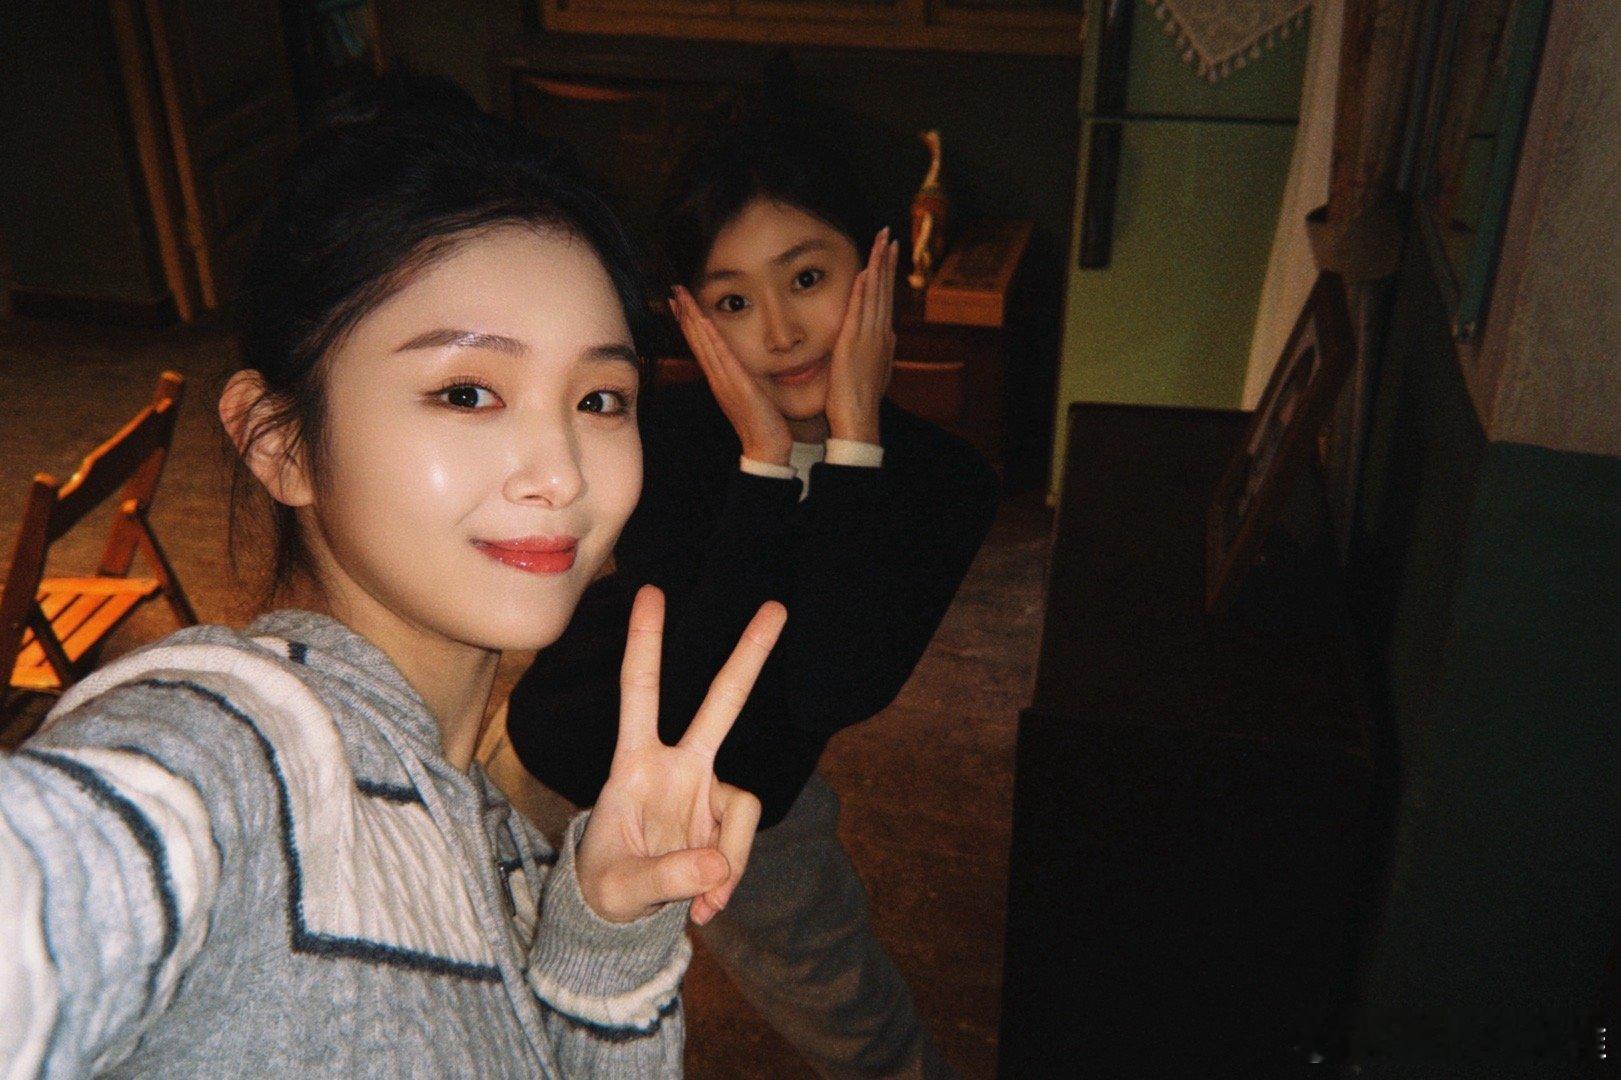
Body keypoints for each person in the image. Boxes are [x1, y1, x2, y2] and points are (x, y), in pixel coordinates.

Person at [0, 78, 783, 1078]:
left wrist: (601, 946)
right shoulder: (233, 755)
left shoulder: (512, 850)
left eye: (599, 398)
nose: (560, 473)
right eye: (467, 393)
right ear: (278, 443)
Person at [505, 117, 1000, 1078]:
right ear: (691, 315)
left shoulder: (945, 481)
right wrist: (763, 463)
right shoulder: (666, 434)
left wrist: (853, 446)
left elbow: (827, 685)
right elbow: (689, 656)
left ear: (877, 269)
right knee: (506, 990)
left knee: (855, 1022)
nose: (778, 333)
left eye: (806, 278)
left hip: (751, 802)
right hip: (563, 762)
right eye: (733, 300)